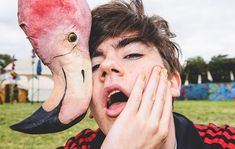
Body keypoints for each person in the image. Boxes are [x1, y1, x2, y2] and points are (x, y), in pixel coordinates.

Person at [62, 0, 235, 148]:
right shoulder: (78, 146)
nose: (106, 65)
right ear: (89, 104)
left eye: (132, 54)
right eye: (94, 65)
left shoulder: (225, 142)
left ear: (172, 82)